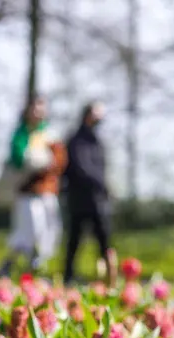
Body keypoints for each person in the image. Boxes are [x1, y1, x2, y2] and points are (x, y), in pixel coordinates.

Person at [0, 95, 66, 276]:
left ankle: (35, 264)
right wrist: (36, 161)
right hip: (27, 191)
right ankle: (19, 263)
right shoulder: (21, 134)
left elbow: (59, 161)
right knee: (29, 228)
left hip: (47, 190)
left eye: (41, 108)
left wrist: (47, 163)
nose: (38, 112)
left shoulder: (51, 135)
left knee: (49, 228)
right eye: (34, 108)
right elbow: (19, 159)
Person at [63, 101, 116, 285]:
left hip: (98, 200)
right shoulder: (76, 140)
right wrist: (101, 183)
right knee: (74, 240)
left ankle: (110, 276)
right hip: (80, 199)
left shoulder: (97, 141)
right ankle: (68, 276)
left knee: (104, 239)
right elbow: (80, 168)